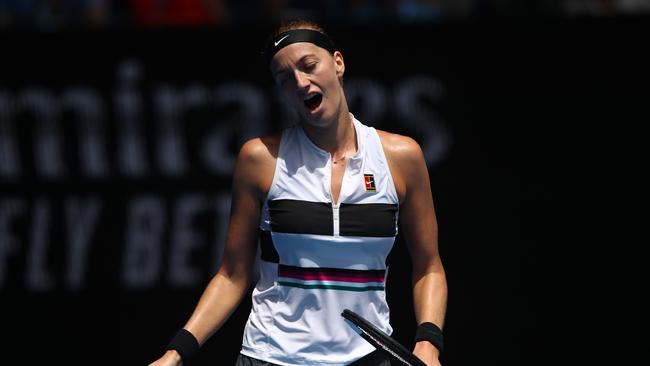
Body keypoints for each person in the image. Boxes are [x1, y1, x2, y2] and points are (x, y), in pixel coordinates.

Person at [149, 19, 447, 366]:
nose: (300, 82)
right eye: (284, 78)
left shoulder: (401, 158)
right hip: (272, 356)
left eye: (308, 66)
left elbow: (429, 267)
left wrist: (429, 343)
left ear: (338, 63)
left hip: (366, 358)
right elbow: (233, 274)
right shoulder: (260, 159)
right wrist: (176, 353)